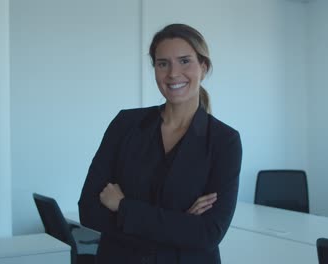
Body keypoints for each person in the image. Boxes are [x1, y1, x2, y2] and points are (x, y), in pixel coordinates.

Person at [78, 23, 242, 264]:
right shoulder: (126, 124)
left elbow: (208, 233)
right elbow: (89, 210)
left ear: (203, 68)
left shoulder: (223, 141)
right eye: (163, 63)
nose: (173, 73)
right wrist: (179, 223)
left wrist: (124, 207)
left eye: (185, 61)